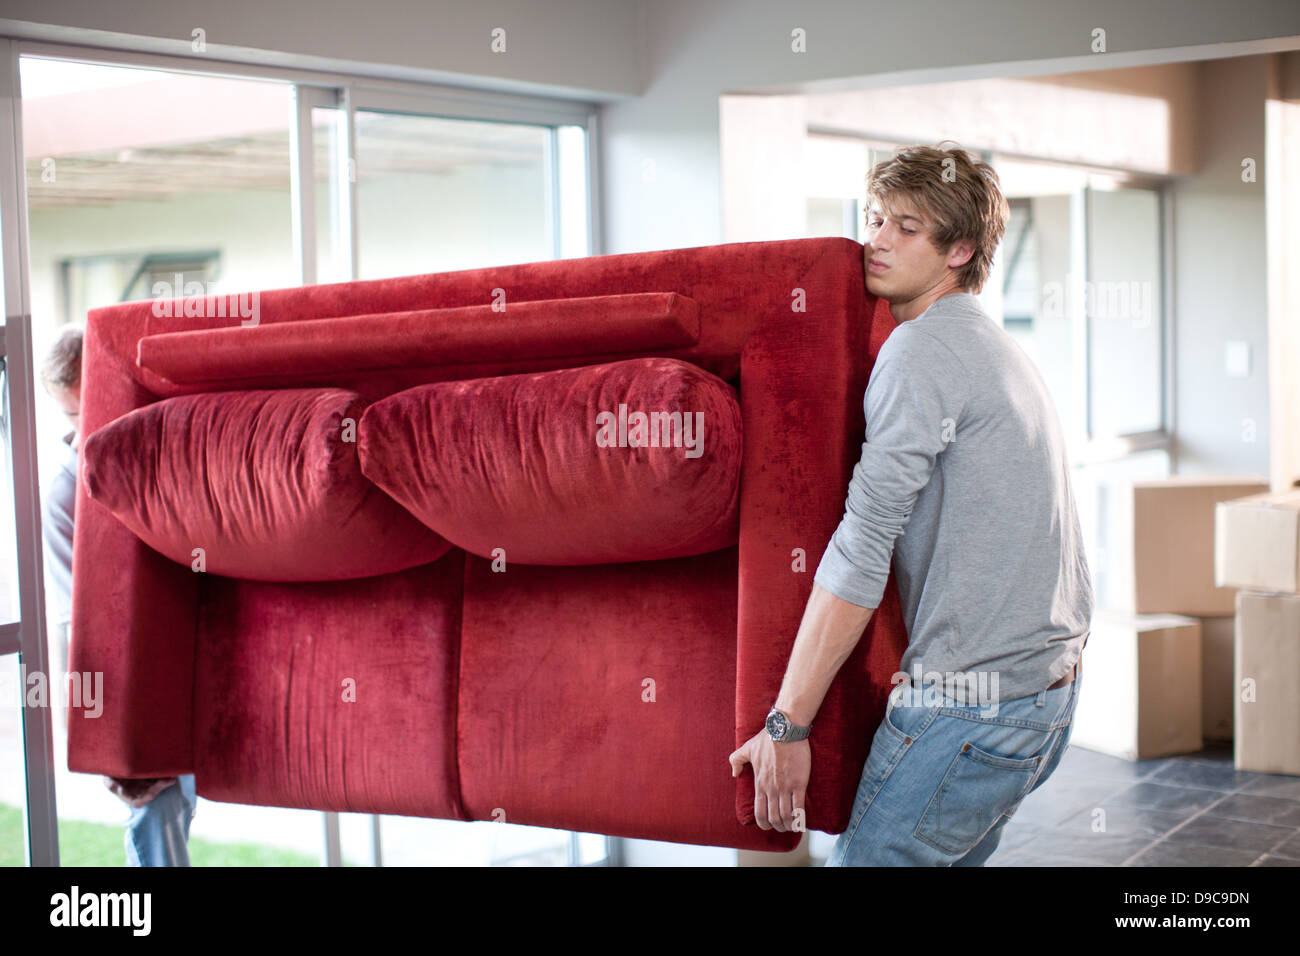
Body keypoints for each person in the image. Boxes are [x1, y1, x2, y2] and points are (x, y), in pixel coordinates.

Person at [729, 142, 1094, 866]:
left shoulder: (921, 352)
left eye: (906, 227)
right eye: (874, 219)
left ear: (959, 249)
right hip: (1043, 696)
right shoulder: (992, 345)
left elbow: (861, 545)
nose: (877, 240)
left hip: (974, 709)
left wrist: (786, 724)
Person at [40, 323, 199, 867]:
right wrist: (94, 739)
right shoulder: (64, 491)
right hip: (132, 681)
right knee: (157, 810)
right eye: (71, 417)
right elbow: (73, 630)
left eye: (95, 408)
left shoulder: (161, 444)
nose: (87, 431)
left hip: (193, 650)